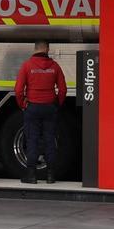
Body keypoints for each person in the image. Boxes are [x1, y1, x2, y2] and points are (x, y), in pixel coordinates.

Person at [13, 41, 67, 184]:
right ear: (47, 49)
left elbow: (18, 90)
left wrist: (23, 104)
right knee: (50, 140)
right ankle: (50, 176)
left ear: (35, 49)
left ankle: (31, 175)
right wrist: (57, 104)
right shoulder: (55, 66)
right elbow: (63, 89)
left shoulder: (27, 66)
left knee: (32, 140)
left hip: (32, 108)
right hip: (50, 108)